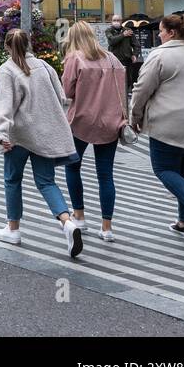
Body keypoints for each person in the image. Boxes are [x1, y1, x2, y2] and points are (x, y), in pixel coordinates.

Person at [0, 28, 83, 258]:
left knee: (12, 180)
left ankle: (13, 229)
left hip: (19, 136)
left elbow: (4, 106)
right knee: (46, 182)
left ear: (6, 46)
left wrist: (2, 134)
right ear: (29, 44)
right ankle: (67, 222)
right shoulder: (44, 66)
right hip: (43, 134)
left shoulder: (7, 69)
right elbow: (61, 97)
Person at [131, 13, 184, 244]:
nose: (159, 35)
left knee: (164, 169)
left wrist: (135, 116)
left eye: (160, 31)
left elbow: (142, 89)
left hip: (168, 120)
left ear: (171, 33)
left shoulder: (159, 55)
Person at [61, 22, 127, 243]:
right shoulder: (112, 59)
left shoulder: (74, 58)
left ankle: (79, 215)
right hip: (111, 122)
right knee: (105, 174)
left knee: (73, 166)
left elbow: (67, 91)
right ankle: (107, 227)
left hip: (81, 121)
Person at [106, 14, 140, 92]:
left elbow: (136, 44)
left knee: (127, 79)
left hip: (126, 59)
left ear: (121, 21)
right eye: (114, 20)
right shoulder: (109, 31)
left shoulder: (128, 30)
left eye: (118, 20)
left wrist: (135, 54)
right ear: (111, 22)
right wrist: (123, 35)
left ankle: (127, 93)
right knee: (114, 79)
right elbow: (112, 41)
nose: (116, 22)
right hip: (114, 60)